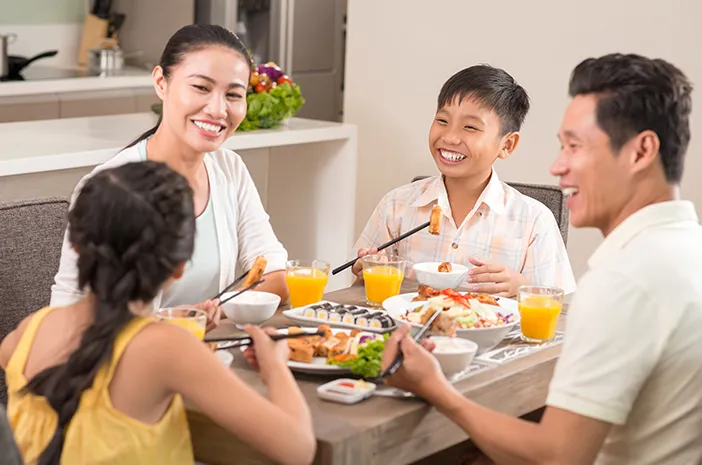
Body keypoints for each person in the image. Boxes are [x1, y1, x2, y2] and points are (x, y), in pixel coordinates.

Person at [380, 53, 702, 465]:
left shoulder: (624, 281)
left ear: (640, 152)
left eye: (575, 146)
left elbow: (556, 456)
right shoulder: (685, 249)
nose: (557, 166)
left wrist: (436, 390)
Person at [0, 161, 315, 465]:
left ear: (78, 248)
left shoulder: (27, 332)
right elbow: (298, 448)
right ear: (179, 266)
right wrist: (275, 366)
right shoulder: (168, 349)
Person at [50, 24, 289, 325]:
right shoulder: (112, 186)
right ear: (161, 83)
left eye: (233, 94)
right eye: (201, 87)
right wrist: (184, 321)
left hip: (213, 354)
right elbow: (67, 311)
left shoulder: (230, 170)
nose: (217, 109)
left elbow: (276, 277)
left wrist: (217, 310)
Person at [352, 65, 575, 297]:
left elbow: (560, 312)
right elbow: (357, 297)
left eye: (470, 127)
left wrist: (521, 288)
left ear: (507, 145)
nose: (449, 137)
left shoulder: (534, 221)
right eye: (442, 120)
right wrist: (365, 273)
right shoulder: (396, 205)